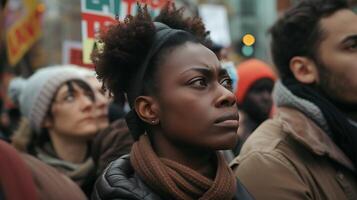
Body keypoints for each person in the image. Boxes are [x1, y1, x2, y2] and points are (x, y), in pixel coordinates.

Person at [92, 3, 252, 200]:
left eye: (225, 82)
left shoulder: (237, 189)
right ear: (149, 109)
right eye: (199, 82)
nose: (228, 95)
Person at [231, 0, 357, 199]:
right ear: (304, 69)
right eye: (352, 46)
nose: (264, 98)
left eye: (267, 89)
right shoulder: (269, 162)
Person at [9, 65, 98, 196]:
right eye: (69, 97)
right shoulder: (23, 177)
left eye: (88, 95)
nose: (87, 104)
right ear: (44, 118)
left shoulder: (113, 164)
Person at [233, 59, 276, 155]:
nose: (266, 97)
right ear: (241, 95)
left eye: (270, 90)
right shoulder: (228, 135)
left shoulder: (277, 131)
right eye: (259, 90)